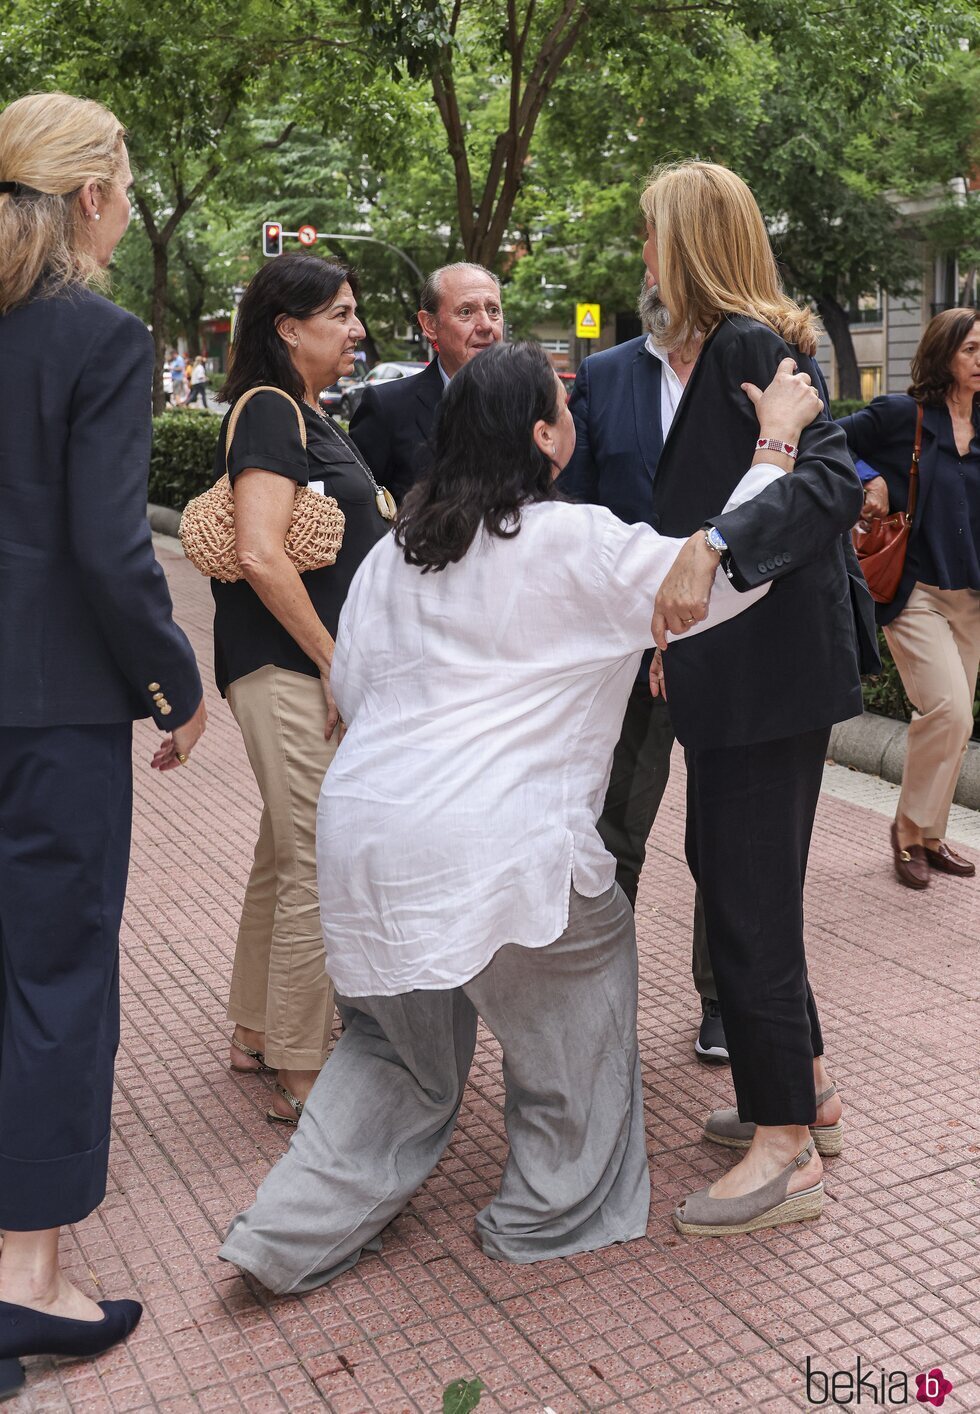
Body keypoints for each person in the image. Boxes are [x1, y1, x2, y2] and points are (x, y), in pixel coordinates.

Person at [217, 340, 828, 1294]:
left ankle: (281, 1237)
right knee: (574, 1010)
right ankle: (551, 1212)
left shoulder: (396, 558)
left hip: (368, 844)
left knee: (390, 1053)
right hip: (503, 850)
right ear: (545, 437)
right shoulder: (570, 540)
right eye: (564, 405)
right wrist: (777, 445)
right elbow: (713, 578)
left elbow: (355, 688)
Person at [0, 91, 206, 1396]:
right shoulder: (97, 336)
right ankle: (26, 1279)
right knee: (56, 975)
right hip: (53, 709)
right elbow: (109, 549)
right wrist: (174, 680)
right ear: (93, 197)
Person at [637, 161, 878, 1237]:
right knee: (736, 882)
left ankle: (783, 1145)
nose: (640, 253)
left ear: (687, 242)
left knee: (745, 900)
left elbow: (826, 485)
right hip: (748, 673)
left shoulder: (741, 343)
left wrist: (716, 546)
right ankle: (804, 1093)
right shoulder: (743, 347)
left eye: (651, 234)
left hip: (764, 682)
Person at [213, 253, 393, 1125]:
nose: (357, 331)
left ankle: (256, 1029)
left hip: (289, 664)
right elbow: (258, 549)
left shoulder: (309, 413)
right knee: (319, 858)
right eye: (343, 314)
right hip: (286, 668)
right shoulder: (272, 411)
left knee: (283, 855)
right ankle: (301, 1066)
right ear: (290, 328)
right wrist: (336, 662)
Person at [561, 275, 726, 1063]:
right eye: (646, 252)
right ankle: (598, 1001)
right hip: (633, 646)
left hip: (738, 641)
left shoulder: (760, 361)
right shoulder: (606, 374)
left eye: (664, 249)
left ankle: (728, 1003)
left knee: (728, 838)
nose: (651, 272)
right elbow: (579, 509)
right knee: (617, 830)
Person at [839, 308, 980, 888]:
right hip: (915, 588)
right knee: (948, 709)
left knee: (955, 723)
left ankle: (929, 834)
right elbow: (829, 438)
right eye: (972, 349)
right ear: (944, 353)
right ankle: (907, 832)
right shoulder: (905, 415)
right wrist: (870, 475)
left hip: (971, 595)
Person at [349, 262, 504, 501]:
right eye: (466, 312)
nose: (486, 325)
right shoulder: (387, 408)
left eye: (493, 310)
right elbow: (360, 510)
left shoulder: (530, 403)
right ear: (430, 325)